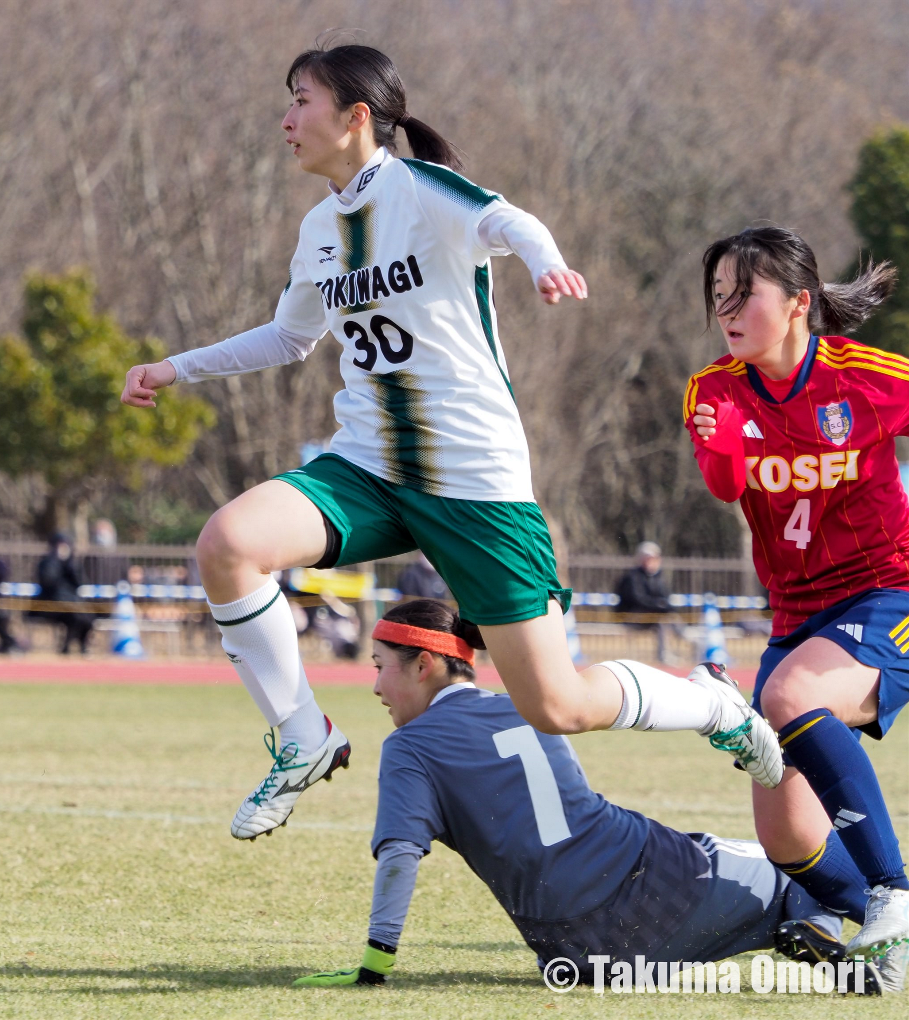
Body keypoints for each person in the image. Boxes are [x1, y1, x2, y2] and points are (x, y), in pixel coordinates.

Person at [120, 43, 780, 841]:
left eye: (301, 100)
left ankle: (713, 703)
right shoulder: (319, 228)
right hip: (368, 465)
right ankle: (303, 739)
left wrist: (547, 263)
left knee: (558, 704)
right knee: (227, 543)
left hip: (473, 478)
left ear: (356, 116)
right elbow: (291, 338)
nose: (286, 119)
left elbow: (509, 220)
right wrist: (177, 367)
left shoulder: (422, 191)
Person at [294, 600, 882, 992]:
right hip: (657, 886)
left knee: (774, 878)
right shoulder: (527, 709)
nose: (373, 685)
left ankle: (821, 925)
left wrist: (375, 966)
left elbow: (401, 854)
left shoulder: (409, 747)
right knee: (795, 868)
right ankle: (849, 923)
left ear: (423, 665)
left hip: (574, 956)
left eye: (380, 667)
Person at [686, 225, 909, 976]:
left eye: (745, 293)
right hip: (797, 616)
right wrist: (719, 442)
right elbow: (723, 486)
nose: (728, 308)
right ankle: (879, 917)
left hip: (890, 593)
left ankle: (893, 892)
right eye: (719, 295)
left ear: (799, 304)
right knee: (786, 833)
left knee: (789, 693)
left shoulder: (869, 376)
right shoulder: (712, 390)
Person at [613, 541, 677, 662]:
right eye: (648, 558)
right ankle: (664, 657)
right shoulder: (633, 577)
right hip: (633, 616)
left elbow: (665, 598)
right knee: (662, 621)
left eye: (654, 558)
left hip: (654, 616)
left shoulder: (659, 577)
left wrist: (665, 607)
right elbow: (638, 599)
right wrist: (659, 606)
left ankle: (689, 640)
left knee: (670, 619)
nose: (651, 562)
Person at [33, 533, 92, 655]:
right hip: (51, 605)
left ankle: (81, 645)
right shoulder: (46, 563)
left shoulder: (72, 563)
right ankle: (66, 646)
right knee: (75, 616)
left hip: (71, 604)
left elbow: (79, 582)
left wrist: (70, 565)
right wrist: (56, 560)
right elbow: (48, 580)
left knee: (87, 617)